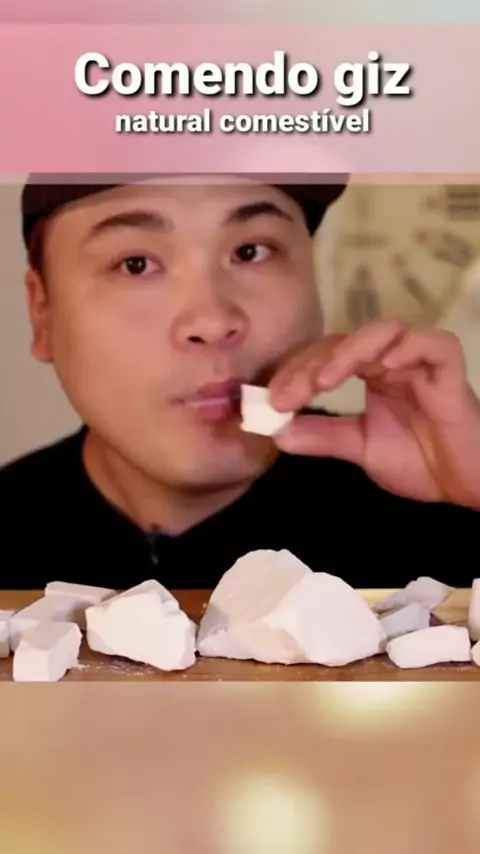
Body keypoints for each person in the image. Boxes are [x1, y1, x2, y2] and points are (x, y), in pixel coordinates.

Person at [1, 172, 480, 591]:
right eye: (136, 264)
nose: (213, 321)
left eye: (251, 252)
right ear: (42, 314)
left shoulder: (438, 503)